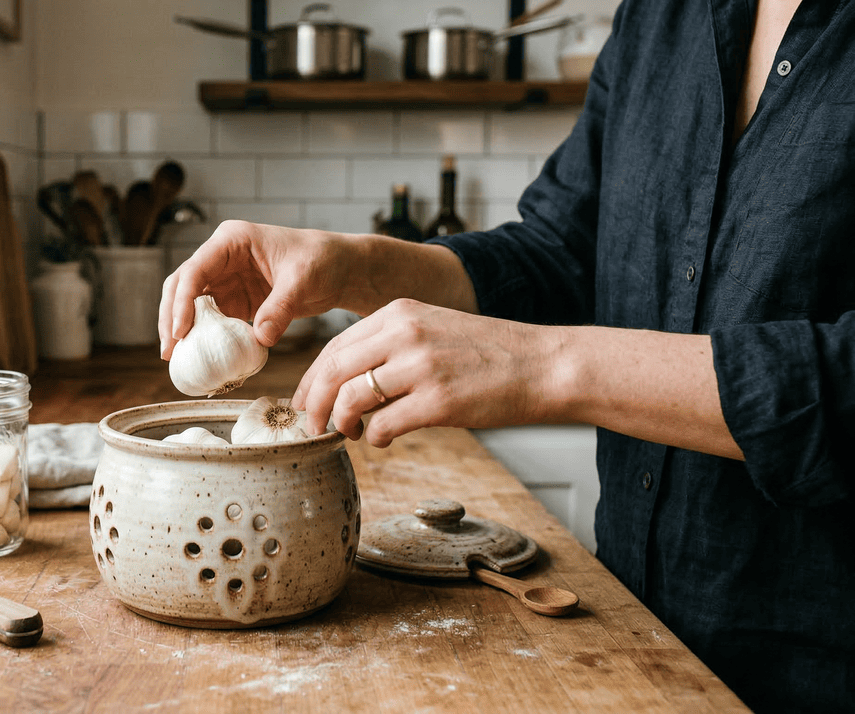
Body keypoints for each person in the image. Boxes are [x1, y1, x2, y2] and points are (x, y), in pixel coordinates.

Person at [158, 0, 853, 711]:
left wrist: (542, 366)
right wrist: (356, 268)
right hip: (633, 648)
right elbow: (561, 250)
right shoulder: (662, 14)